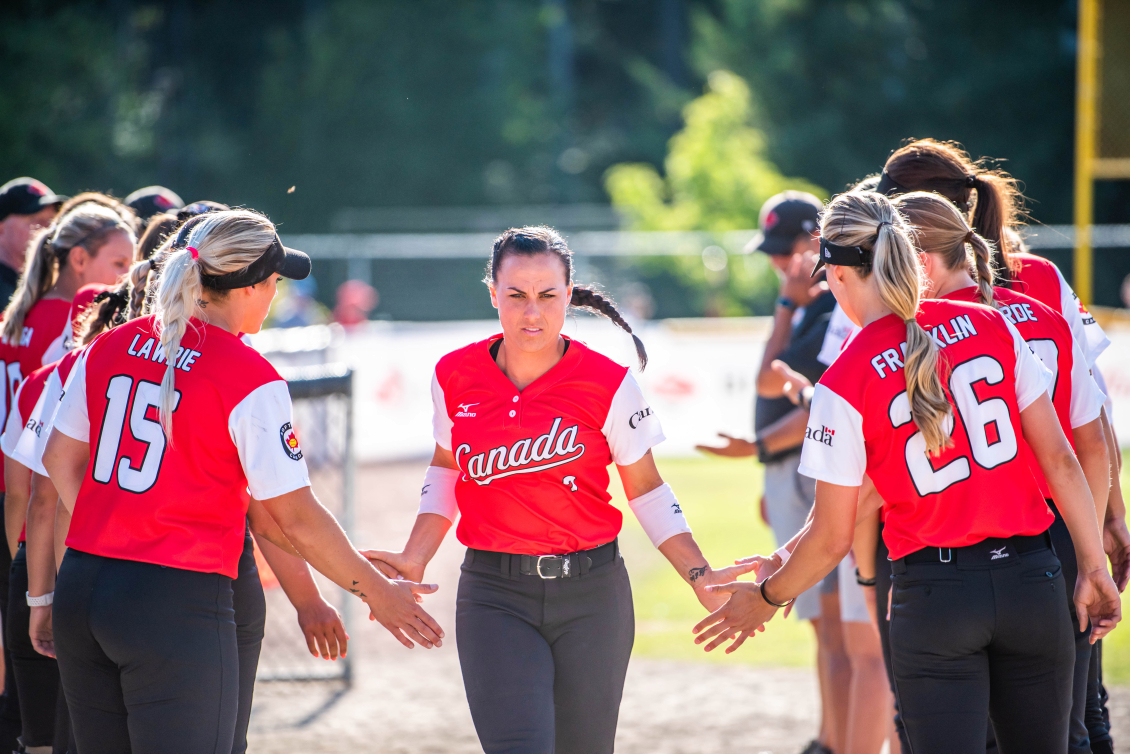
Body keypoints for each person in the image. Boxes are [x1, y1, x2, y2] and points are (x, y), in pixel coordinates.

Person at [693, 190, 1121, 754]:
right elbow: (1062, 460)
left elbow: (834, 535)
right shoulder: (990, 324)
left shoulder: (843, 379)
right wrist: (1093, 565)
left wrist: (768, 596)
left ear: (838, 274)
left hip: (936, 594)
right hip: (1033, 581)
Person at [37, 209, 441, 753]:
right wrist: (377, 592)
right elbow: (295, 516)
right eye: (273, 279)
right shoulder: (248, 374)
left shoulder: (111, 344)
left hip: (86, 585)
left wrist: (114, 521)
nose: (276, 290)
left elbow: (59, 458)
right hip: (173, 600)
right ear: (247, 286)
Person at [363, 226, 755, 754]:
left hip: (593, 595)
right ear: (492, 293)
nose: (532, 313)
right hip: (494, 595)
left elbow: (647, 489)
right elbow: (447, 468)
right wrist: (416, 555)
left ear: (569, 295)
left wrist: (697, 572)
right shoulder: (453, 374)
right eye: (516, 295)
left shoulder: (610, 383)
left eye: (548, 295)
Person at [700, 191, 857, 754]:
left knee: (840, 628)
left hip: (812, 469)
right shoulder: (814, 301)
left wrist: (760, 448)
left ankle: (842, 743)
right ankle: (830, 737)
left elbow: (798, 391)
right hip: (796, 471)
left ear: (815, 240)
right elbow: (775, 381)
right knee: (827, 627)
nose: (775, 261)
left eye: (783, 247)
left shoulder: (833, 303)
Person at [0, 194, 135, 378]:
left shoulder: (12, 317)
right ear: (79, 259)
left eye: (132, 265)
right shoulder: (77, 326)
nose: (129, 276)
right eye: (120, 264)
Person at [0, 179, 65, 306]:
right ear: (1, 227)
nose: (48, 229)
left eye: (51, 221)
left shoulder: (49, 287)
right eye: (36, 220)